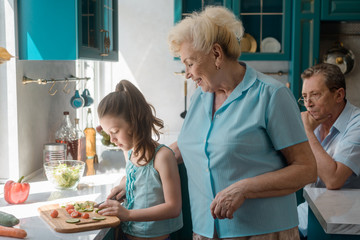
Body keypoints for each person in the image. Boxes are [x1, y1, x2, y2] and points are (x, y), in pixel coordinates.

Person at [167, 6, 317, 240]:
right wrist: (137, 172)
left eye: (190, 63)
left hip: (263, 233)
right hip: (206, 231)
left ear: (216, 54)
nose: (186, 72)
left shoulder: (271, 95)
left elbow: (306, 169)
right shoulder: (200, 96)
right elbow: (187, 145)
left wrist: (244, 188)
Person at [97, 80, 183, 240]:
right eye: (109, 133)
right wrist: (124, 185)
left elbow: (173, 207)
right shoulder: (130, 153)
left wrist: (127, 214)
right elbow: (140, 177)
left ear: (134, 122)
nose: (112, 139)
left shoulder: (162, 156)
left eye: (115, 131)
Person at [297, 63, 360, 238]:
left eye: (315, 95)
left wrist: (307, 132)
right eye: (304, 97)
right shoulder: (315, 122)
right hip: (310, 212)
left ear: (339, 95)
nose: (308, 104)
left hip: (343, 226)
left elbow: (334, 179)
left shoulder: (357, 124)